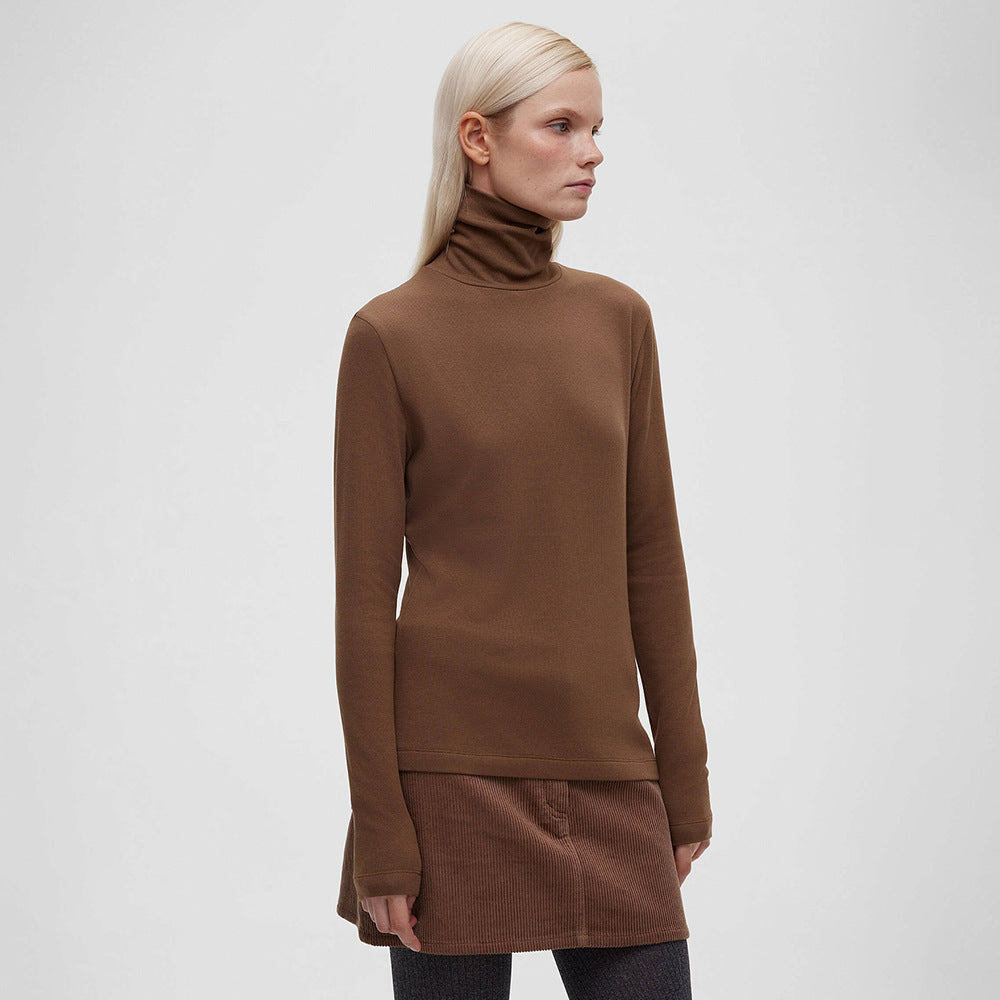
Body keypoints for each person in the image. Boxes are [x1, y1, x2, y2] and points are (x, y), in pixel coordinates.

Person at [333, 21, 713, 1000]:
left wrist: (684, 774)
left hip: (607, 764)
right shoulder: (390, 335)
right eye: (562, 125)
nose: (592, 152)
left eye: (596, 129)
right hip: (447, 781)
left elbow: (651, 554)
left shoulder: (616, 320)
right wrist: (380, 828)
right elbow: (363, 605)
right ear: (477, 138)